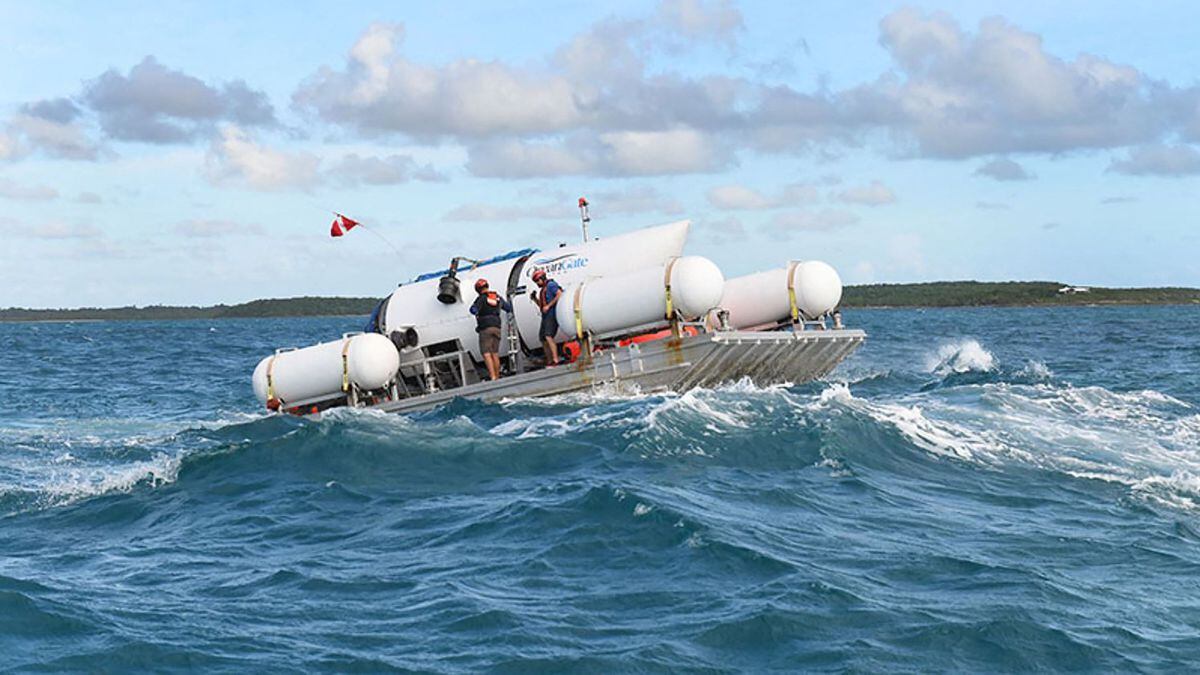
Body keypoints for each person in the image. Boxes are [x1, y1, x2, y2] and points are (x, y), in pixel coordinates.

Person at [469, 278, 512, 381]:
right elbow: (508, 308)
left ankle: (493, 377)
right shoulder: (496, 297)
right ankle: (497, 376)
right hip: (497, 326)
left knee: (486, 353)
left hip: (485, 328)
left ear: (478, 289)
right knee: (495, 353)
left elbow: (473, 310)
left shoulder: (481, 299)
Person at [530, 269, 561, 366]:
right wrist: (535, 299)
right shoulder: (543, 290)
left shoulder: (551, 285)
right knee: (543, 338)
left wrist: (549, 306)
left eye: (537, 281)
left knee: (548, 336)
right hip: (545, 316)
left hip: (551, 315)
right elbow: (543, 306)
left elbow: (559, 294)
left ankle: (555, 359)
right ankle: (550, 360)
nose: (537, 284)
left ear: (542, 278)